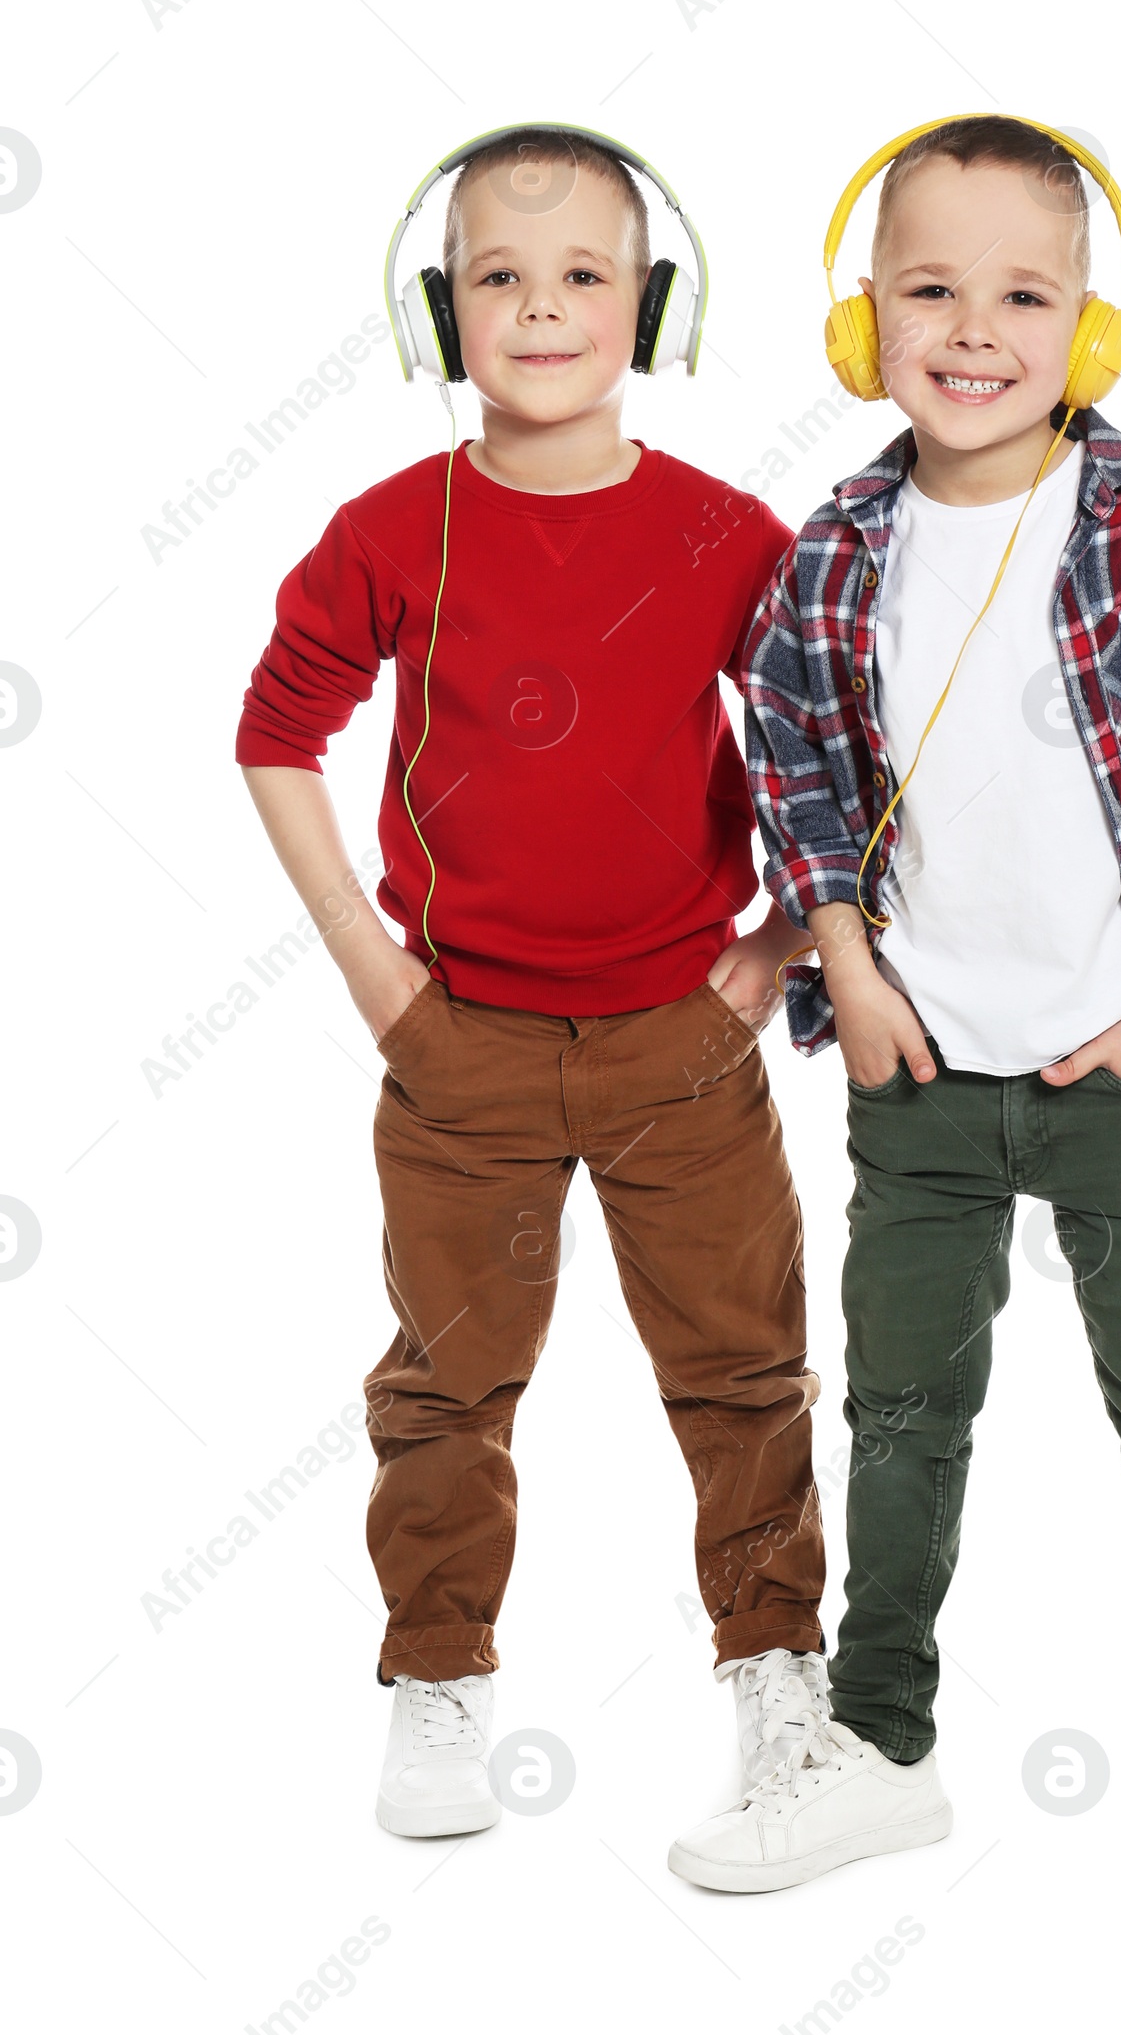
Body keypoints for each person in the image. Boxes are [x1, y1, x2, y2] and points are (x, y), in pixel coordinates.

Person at [668, 115, 1121, 1918]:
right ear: (864, 320)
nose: (973, 328)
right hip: (922, 1063)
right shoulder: (838, 551)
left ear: (1087, 332)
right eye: (927, 286)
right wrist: (847, 968)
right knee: (899, 1408)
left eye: (1023, 294)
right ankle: (880, 1745)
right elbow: (794, 766)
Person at [235, 124, 827, 1839]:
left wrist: (772, 949)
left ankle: (776, 1666)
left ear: (652, 307)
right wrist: (378, 979)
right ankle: (438, 1671)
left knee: (742, 1369)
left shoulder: (730, 534)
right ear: (443, 313)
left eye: (584, 276)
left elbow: (840, 763)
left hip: (683, 1045)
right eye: (501, 273)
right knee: (444, 1380)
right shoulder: (390, 528)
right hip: (460, 1045)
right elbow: (277, 734)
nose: (544, 306)